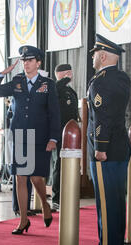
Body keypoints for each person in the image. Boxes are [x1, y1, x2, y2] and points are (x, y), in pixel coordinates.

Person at [0, 45, 61, 235]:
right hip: (19, 135)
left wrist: (53, 137)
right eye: (24, 61)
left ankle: (44, 204)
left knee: (36, 177)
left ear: (38, 62)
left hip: (40, 136)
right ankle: (23, 219)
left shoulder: (47, 84)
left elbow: (54, 113)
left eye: (30, 60)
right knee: (20, 177)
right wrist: (3, 73)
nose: (26, 64)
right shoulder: (17, 81)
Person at [83, 34, 131, 245]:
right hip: (120, 147)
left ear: (102, 55)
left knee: (106, 200)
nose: (92, 57)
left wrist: (100, 147)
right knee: (117, 200)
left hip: (106, 150)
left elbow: (103, 116)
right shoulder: (122, 78)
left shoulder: (100, 81)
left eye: (94, 54)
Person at [50, 64, 80, 210]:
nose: (72, 75)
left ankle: (69, 196)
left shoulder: (70, 91)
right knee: (59, 166)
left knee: (71, 165)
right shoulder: (56, 88)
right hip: (59, 133)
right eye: (70, 73)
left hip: (72, 136)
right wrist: (63, 80)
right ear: (66, 73)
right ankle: (57, 198)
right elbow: (54, 89)